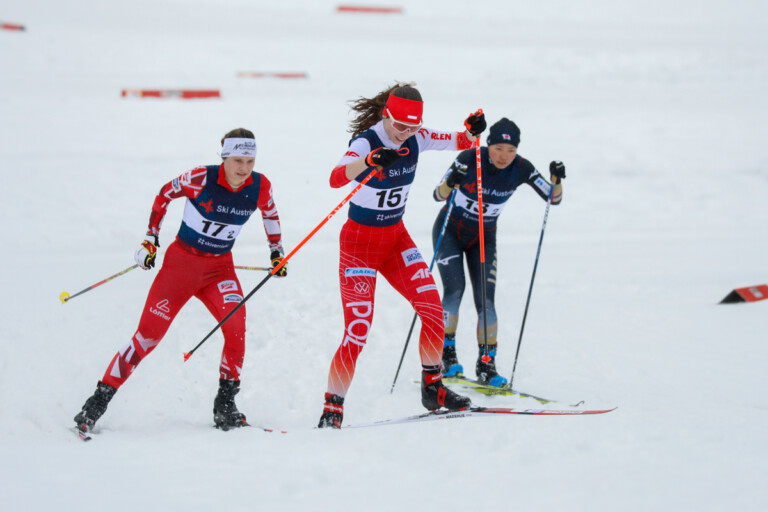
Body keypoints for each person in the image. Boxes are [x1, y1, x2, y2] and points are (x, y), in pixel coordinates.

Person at [73, 128, 287, 434]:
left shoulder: (260, 185)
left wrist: (276, 251)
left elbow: (271, 212)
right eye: (238, 160)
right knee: (148, 337)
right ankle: (95, 403)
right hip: (181, 266)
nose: (244, 169)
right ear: (224, 158)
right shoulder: (200, 178)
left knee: (236, 329)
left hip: (220, 271)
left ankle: (225, 407)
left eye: (250, 161)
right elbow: (164, 194)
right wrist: (150, 239)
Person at [317, 83, 487, 428]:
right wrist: (367, 162)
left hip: (396, 239)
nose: (405, 134)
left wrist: (471, 131)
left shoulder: (416, 137)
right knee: (358, 330)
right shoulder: (367, 141)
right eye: (400, 126)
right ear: (386, 115)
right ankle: (332, 408)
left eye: (412, 127)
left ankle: (432, 387)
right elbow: (336, 178)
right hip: (360, 246)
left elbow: (460, 141)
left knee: (432, 310)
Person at [431, 118, 565, 387]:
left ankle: (486, 365)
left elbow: (553, 197)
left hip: (483, 238)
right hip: (450, 233)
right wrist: (451, 183)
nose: (504, 156)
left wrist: (557, 179)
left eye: (511, 150)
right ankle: (446, 357)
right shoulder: (469, 158)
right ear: (489, 145)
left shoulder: (521, 168)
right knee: (455, 291)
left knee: (487, 302)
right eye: (498, 148)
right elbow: (437, 195)